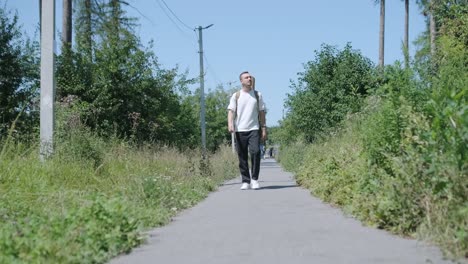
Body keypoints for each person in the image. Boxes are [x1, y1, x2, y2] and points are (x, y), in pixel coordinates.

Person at [227, 71, 267, 190]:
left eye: (250, 77)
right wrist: (230, 124)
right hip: (240, 130)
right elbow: (231, 111)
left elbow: (261, 112)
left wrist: (264, 127)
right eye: (246, 77)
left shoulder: (257, 95)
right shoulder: (236, 95)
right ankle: (245, 181)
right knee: (242, 156)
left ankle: (254, 179)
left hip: (254, 128)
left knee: (255, 152)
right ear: (241, 81)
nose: (249, 79)